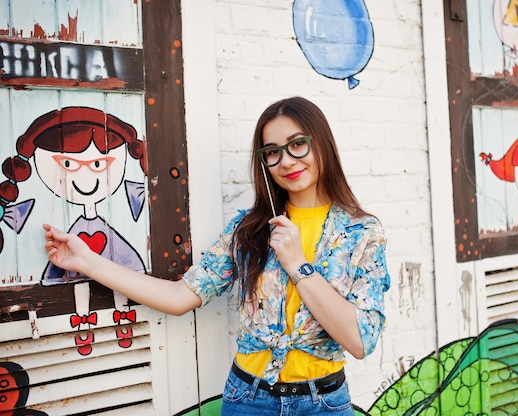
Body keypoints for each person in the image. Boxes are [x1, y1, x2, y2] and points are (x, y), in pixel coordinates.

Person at [43, 96, 390, 415]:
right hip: (250, 401)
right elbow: (181, 296)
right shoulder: (250, 229)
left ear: (322, 144)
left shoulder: (362, 233)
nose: (286, 161)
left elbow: (360, 341)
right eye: (272, 151)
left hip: (324, 405)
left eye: (298, 144)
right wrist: (85, 261)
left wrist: (298, 264)